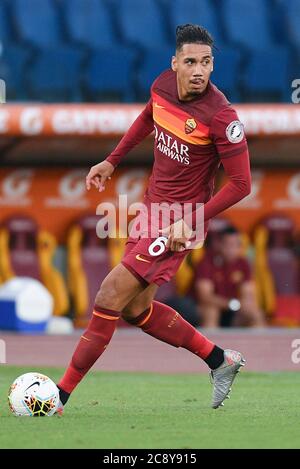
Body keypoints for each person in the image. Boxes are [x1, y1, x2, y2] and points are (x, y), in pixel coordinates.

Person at [57, 24, 251, 412]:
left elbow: (241, 184)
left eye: (207, 62)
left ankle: (57, 396)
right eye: (192, 62)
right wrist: (112, 159)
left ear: (214, 66)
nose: (199, 70)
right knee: (134, 309)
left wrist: (191, 221)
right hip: (151, 210)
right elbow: (148, 117)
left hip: (179, 222)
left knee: (110, 293)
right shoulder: (162, 86)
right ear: (175, 63)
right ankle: (219, 360)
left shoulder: (221, 116)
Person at [194, 226, 266, 327]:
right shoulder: (206, 262)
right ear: (219, 245)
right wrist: (232, 304)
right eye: (228, 245)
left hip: (233, 310)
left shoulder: (243, 263)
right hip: (208, 308)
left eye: (235, 245)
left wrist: (243, 304)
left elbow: (248, 293)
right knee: (211, 312)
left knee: (255, 313)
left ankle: (260, 342)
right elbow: (205, 296)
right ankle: (210, 342)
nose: (231, 249)